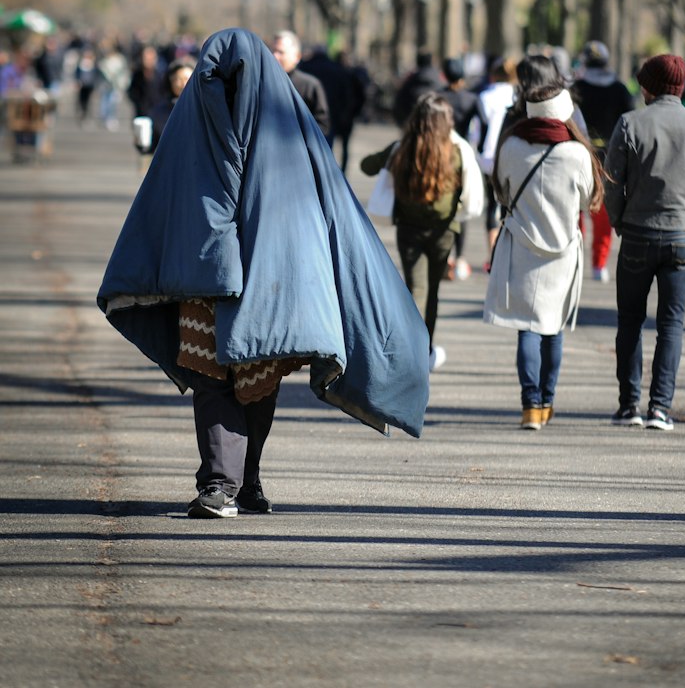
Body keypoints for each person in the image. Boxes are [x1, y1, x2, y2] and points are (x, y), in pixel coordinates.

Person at [98, 29, 430, 519]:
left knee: (233, 380)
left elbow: (159, 204)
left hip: (225, 280)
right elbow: (333, 211)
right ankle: (229, 482)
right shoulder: (290, 129)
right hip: (257, 285)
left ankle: (233, 482)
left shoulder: (193, 124)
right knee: (245, 380)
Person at [603, 54, 685, 431]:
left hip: (638, 231)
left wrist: (619, 221)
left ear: (649, 87)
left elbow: (611, 183)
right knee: (671, 324)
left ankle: (629, 405)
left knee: (630, 321)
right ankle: (660, 407)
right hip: (682, 235)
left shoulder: (629, 123)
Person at [484, 83, 602, 430]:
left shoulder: (512, 146)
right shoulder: (577, 154)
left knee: (527, 329)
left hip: (521, 244)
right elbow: (588, 200)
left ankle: (529, 404)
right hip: (562, 248)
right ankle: (547, 401)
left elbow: (502, 191)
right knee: (554, 329)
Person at [361, 93, 483, 372]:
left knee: (416, 289)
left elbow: (365, 166)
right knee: (434, 290)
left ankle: (411, 350)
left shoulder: (402, 147)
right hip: (444, 232)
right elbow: (473, 190)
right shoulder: (456, 150)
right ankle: (426, 349)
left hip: (409, 230)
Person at [573, 41, 634, 282]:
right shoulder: (619, 88)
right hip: (610, 156)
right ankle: (599, 263)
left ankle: (575, 258)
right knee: (602, 211)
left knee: (576, 208)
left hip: (578, 154)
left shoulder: (576, 87)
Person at [440, 56, 487, 281]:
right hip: (463, 153)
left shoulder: (437, 97)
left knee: (440, 201)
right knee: (461, 205)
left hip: (439, 152)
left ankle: (444, 255)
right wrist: (482, 146)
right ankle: (459, 257)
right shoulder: (471, 98)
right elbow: (485, 123)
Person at [470, 56, 518, 266]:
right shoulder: (518, 96)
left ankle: (493, 253)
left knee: (492, 203)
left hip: (489, 159)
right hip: (514, 155)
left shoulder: (484, 97)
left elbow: (477, 131)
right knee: (512, 203)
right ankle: (510, 252)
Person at [298, 46, 369, 168]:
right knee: (334, 148)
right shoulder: (338, 70)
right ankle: (336, 174)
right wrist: (350, 113)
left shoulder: (305, 68)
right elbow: (349, 94)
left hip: (310, 115)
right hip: (335, 115)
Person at [271, 30, 331, 138]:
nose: (275, 56)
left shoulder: (310, 85)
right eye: (273, 51)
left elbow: (322, 125)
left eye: (281, 52)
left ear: (297, 56)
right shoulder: (263, 83)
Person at [148, 56, 196, 152]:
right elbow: (153, 145)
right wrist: (142, 144)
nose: (183, 84)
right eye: (178, 79)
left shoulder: (205, 108)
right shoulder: (160, 112)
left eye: (187, 78)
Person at [392, 50, 443, 128]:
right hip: (435, 125)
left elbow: (399, 102)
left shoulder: (410, 80)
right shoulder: (439, 80)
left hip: (411, 125)